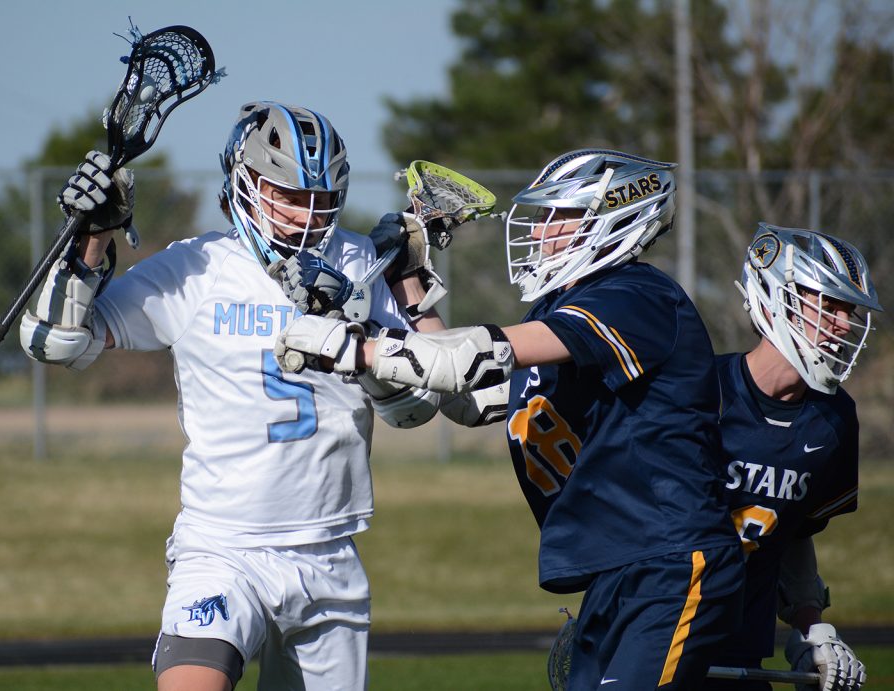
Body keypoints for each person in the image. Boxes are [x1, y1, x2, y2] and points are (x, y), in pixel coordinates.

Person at [276, 148, 747, 689]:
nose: (542, 232)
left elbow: (459, 362)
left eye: (559, 218)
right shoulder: (558, 314)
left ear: (617, 220)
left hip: (670, 557)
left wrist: (354, 349)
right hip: (618, 567)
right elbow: (464, 396)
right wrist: (408, 279)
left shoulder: (635, 297)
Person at [19, 101, 445, 691]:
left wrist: (362, 331)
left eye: (322, 200)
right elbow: (55, 344)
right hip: (225, 547)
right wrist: (91, 239)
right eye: (289, 196)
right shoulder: (197, 268)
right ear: (244, 184)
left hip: (329, 551)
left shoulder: (359, 262)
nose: (307, 215)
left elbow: (413, 409)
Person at [705, 224, 879, 691]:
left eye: (850, 310)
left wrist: (811, 626)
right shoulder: (697, 391)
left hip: (741, 644)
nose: (844, 323)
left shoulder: (834, 419)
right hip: (657, 634)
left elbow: (792, 531)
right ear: (776, 297)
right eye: (831, 305)